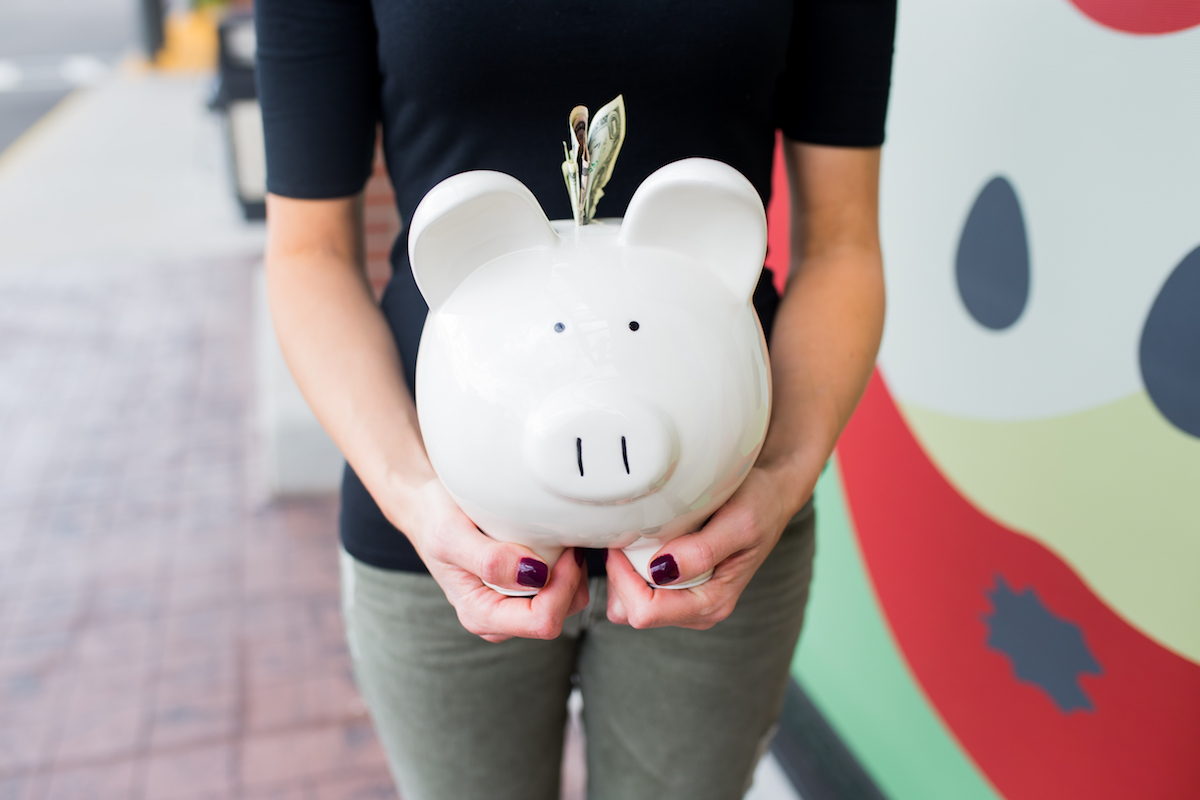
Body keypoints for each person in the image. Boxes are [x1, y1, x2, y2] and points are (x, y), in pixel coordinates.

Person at [255, 1, 895, 798]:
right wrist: (417, 501)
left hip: (722, 518)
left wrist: (779, 478)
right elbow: (308, 251)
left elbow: (842, 242)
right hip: (438, 523)